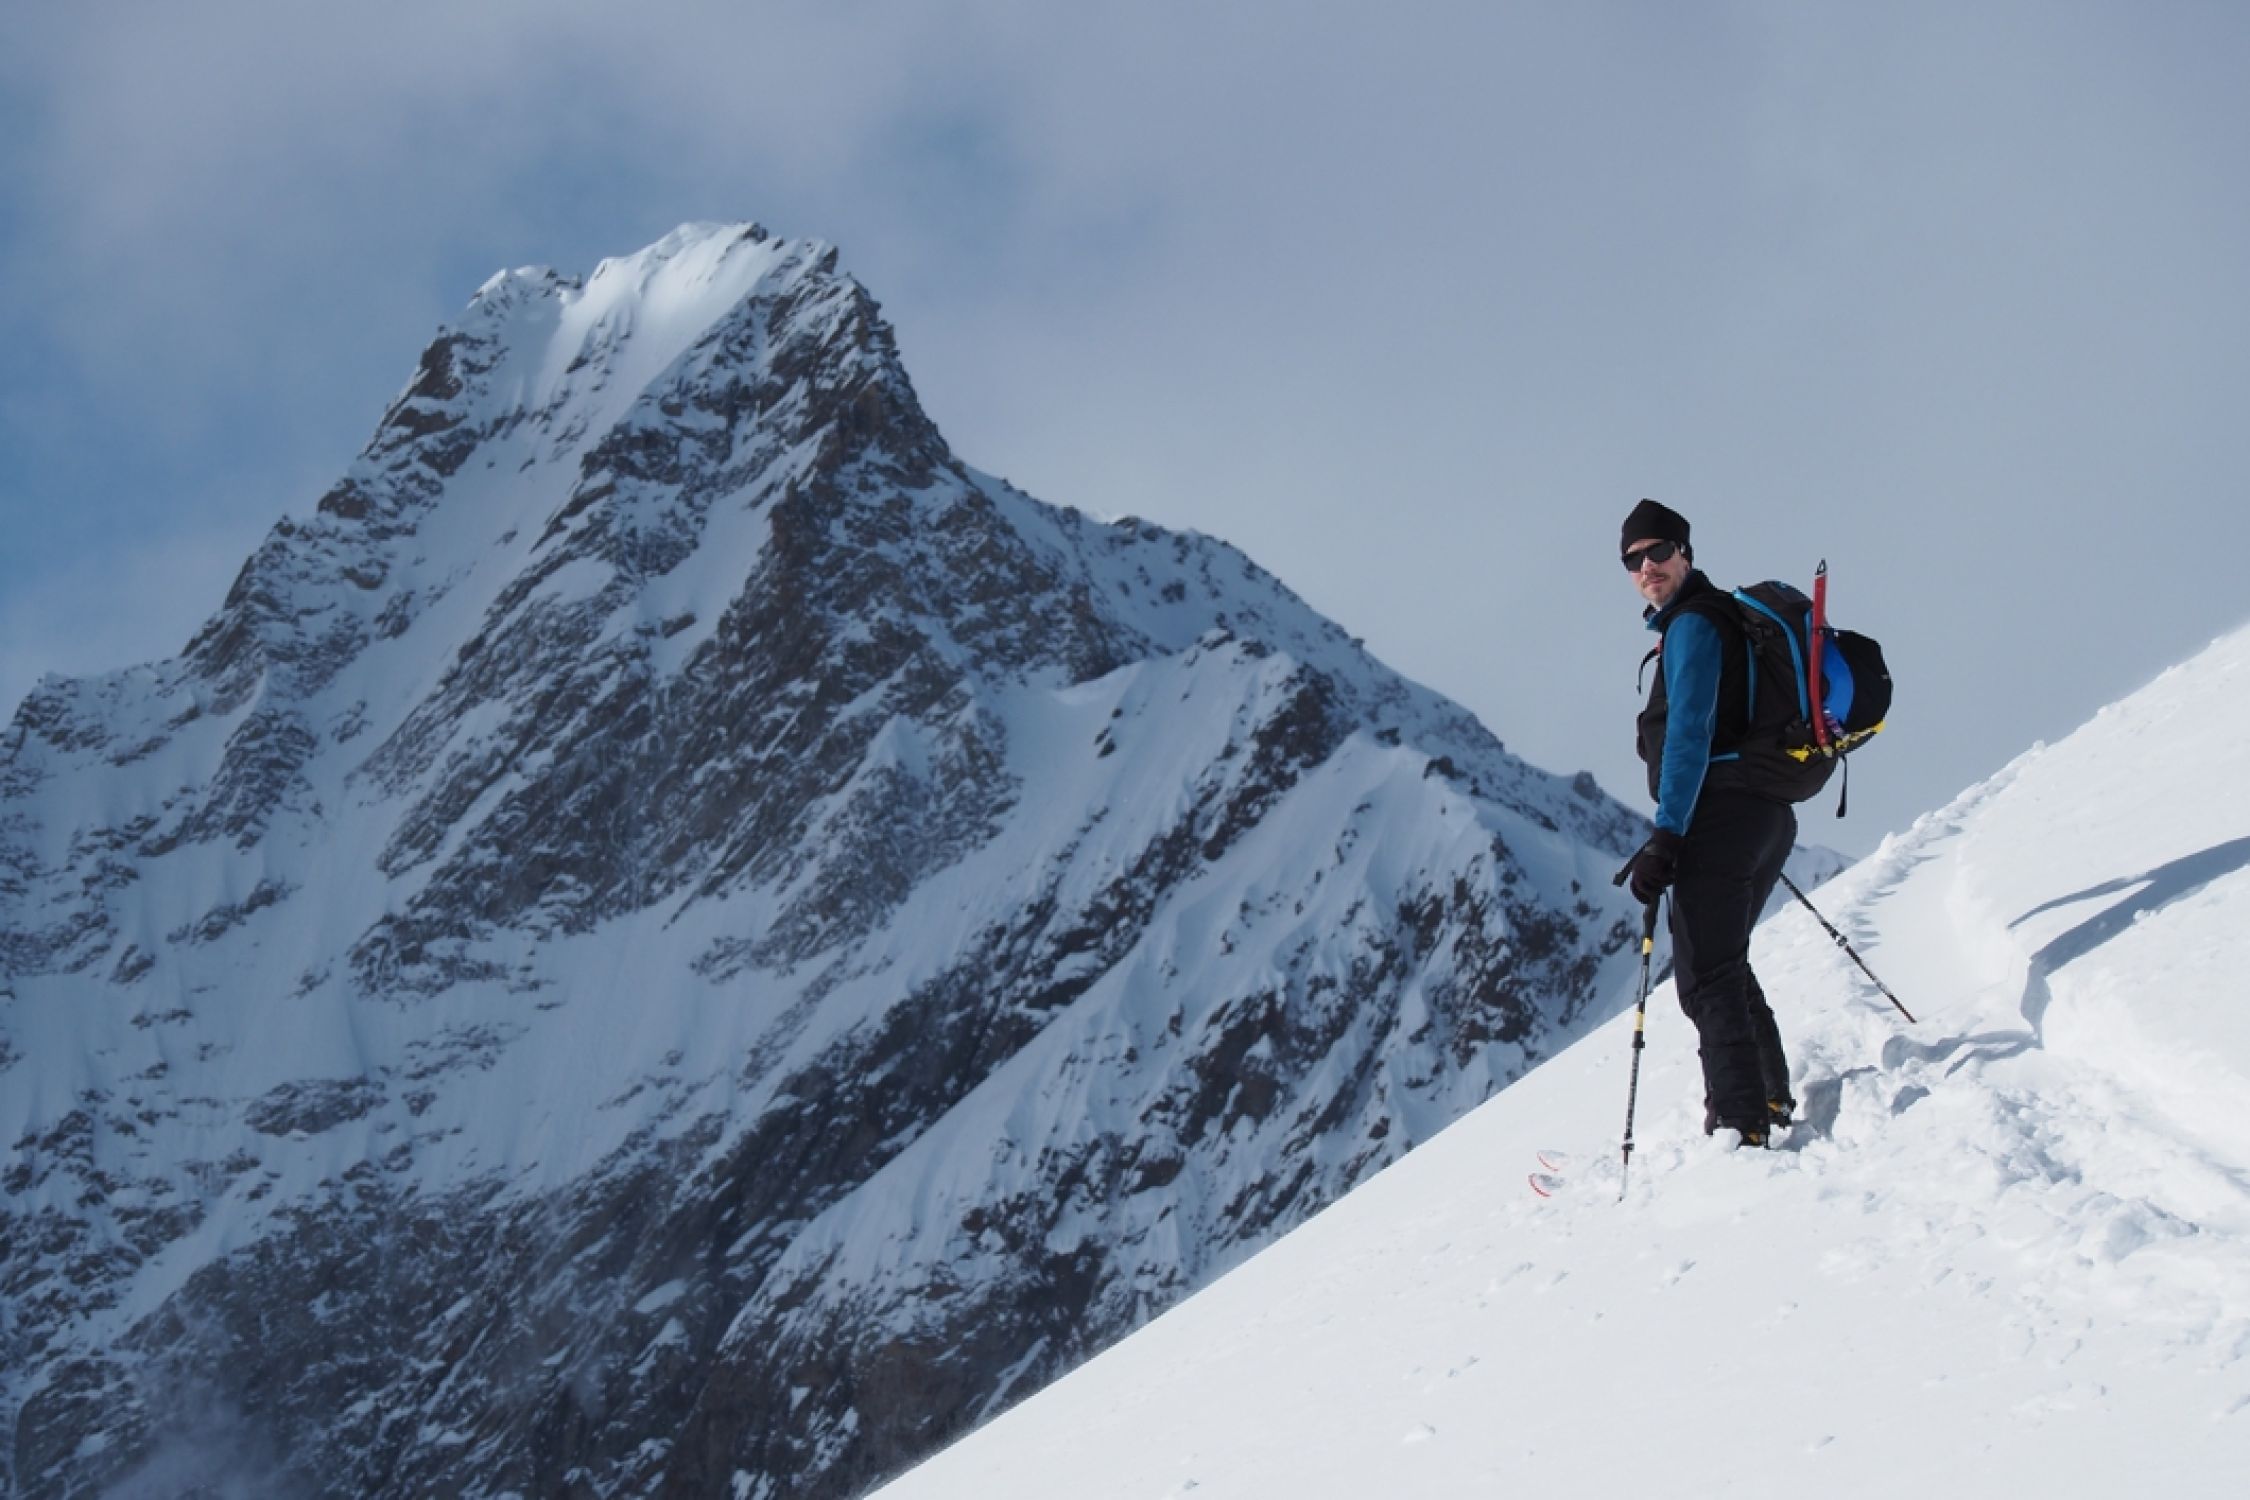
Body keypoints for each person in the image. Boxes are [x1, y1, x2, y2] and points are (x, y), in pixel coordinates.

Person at [1616, 499, 1795, 1148]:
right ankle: (1767, 1097)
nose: (1647, 567)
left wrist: (1667, 835)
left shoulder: (1694, 625)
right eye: (1633, 560)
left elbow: (1688, 734)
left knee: (1706, 979)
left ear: (1686, 553)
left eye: (1659, 551)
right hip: (1765, 815)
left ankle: (1742, 1125)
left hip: (1722, 815)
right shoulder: (1719, 619)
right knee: (1723, 963)